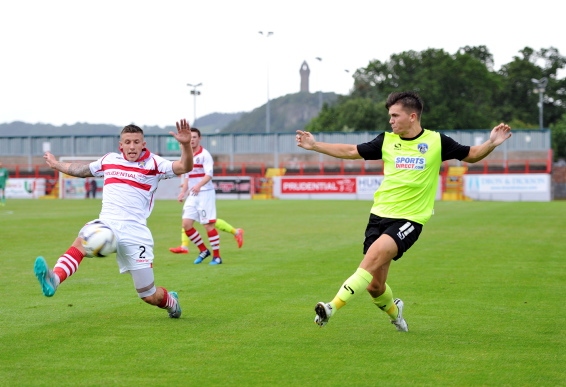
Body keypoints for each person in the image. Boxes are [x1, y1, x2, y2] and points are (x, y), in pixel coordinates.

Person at [296, 91, 512, 331]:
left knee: (370, 261)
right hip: (378, 216)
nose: (391, 120)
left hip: (409, 219)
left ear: (412, 116)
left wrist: (491, 143)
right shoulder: (386, 141)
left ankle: (330, 308)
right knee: (374, 286)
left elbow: (471, 155)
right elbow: (350, 151)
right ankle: (395, 311)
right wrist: (314, 145)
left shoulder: (437, 141)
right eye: (390, 116)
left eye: (394, 115)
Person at [33, 120, 194, 318]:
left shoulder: (154, 163)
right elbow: (82, 171)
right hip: (107, 223)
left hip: (135, 232)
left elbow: (184, 167)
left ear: (143, 144)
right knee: (80, 243)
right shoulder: (109, 160)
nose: (132, 146)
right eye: (128, 142)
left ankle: (172, 303)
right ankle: (54, 279)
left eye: (136, 142)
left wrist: (185, 145)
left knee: (148, 295)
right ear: (121, 145)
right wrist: (57, 164)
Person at [171, 127, 223, 265]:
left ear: (199, 138)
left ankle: (217, 257)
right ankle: (203, 250)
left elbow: (209, 174)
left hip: (205, 193)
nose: (192, 139)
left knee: (208, 226)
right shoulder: (187, 155)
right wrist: (183, 191)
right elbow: (187, 176)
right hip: (193, 194)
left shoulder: (205, 155)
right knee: (186, 224)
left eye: (194, 137)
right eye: (190, 137)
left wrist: (199, 185)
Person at [169, 217, 244, 254]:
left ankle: (236, 232)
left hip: (203, 194)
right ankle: (184, 246)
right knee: (186, 220)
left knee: (209, 221)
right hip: (194, 196)